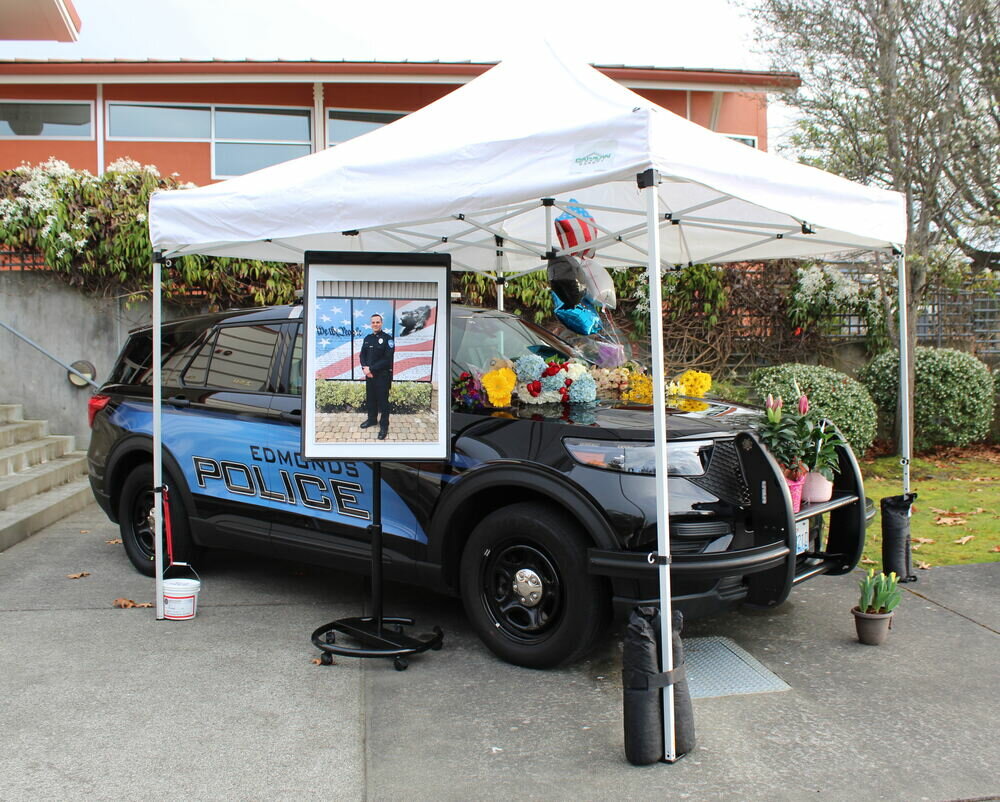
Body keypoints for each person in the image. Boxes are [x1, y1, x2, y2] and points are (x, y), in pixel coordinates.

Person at [359, 313, 394, 439]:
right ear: (371, 324)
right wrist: (364, 368)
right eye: (373, 322)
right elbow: (362, 355)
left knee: (383, 402)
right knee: (371, 399)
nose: (375, 324)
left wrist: (371, 368)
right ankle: (372, 419)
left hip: (382, 376)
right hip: (369, 376)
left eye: (377, 322)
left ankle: (384, 425)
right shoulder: (367, 338)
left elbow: (387, 359)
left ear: (381, 323)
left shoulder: (388, 339)